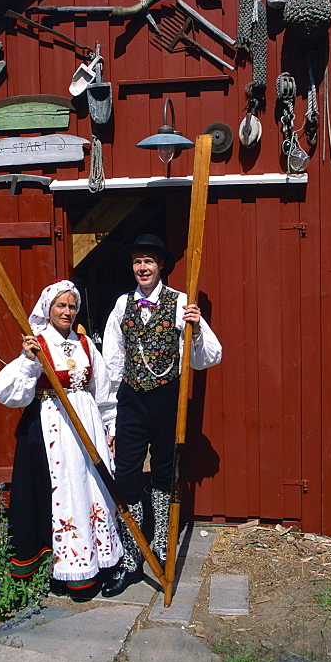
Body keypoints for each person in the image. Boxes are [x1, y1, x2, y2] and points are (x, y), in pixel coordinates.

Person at [100, 233, 221, 596]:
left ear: (161, 266)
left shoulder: (182, 303)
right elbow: (111, 362)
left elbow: (210, 356)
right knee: (126, 473)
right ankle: (132, 553)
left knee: (166, 473)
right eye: (137, 262)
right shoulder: (122, 305)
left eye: (148, 261)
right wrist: (111, 417)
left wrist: (196, 329)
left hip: (169, 399)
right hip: (132, 400)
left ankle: (162, 545)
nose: (142, 268)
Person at [0, 280, 122, 599]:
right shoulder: (36, 343)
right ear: (48, 309)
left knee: (92, 490)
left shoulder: (84, 342)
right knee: (63, 492)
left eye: (71, 306)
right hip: (51, 427)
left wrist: (110, 428)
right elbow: (8, 394)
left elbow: (103, 392)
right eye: (60, 306)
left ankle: (97, 566)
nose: (67, 311)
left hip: (87, 423)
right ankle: (63, 570)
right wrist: (28, 360)